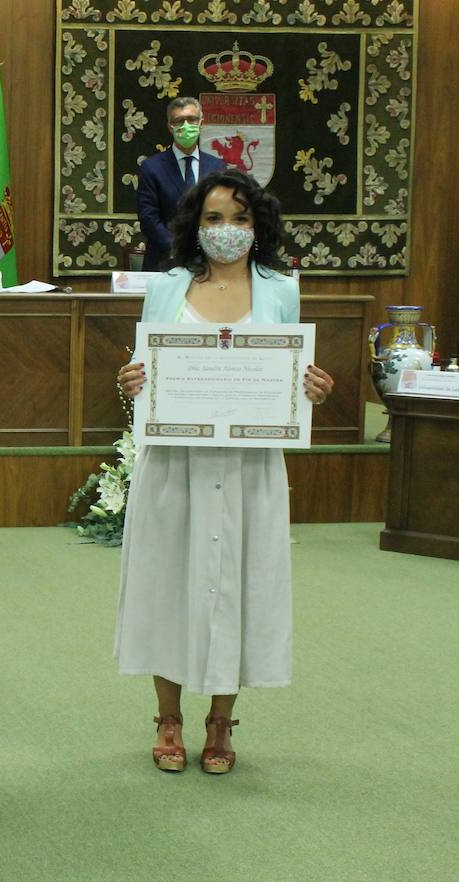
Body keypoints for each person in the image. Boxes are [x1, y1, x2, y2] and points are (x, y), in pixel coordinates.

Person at [115, 170, 333, 775]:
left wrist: (311, 388)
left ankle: (220, 722)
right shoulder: (166, 287)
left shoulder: (280, 290)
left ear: (258, 224)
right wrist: (129, 380)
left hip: (249, 468)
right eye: (213, 218)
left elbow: (293, 375)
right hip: (175, 465)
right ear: (194, 225)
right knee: (168, 581)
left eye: (240, 218)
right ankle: (168, 718)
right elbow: (141, 368)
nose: (228, 230)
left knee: (240, 582)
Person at [136, 96, 226, 271]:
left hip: (209, 263)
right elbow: (148, 217)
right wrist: (178, 250)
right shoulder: (152, 167)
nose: (186, 125)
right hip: (164, 262)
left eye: (192, 119)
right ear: (171, 127)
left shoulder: (218, 167)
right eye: (179, 121)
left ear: (201, 123)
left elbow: (222, 213)